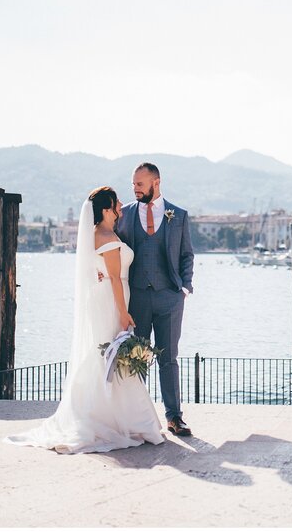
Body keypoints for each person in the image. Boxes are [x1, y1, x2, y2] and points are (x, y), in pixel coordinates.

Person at [6, 187, 164, 453]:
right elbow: (114, 277)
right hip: (112, 301)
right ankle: (115, 419)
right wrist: (123, 313)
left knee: (105, 355)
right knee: (110, 355)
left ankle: (111, 414)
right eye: (116, 203)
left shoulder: (97, 235)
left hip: (104, 297)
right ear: (106, 210)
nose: (121, 205)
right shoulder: (106, 237)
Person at [116, 162, 195, 436]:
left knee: (168, 358)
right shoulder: (124, 214)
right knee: (136, 358)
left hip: (170, 298)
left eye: (140, 184)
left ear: (156, 183)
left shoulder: (179, 216)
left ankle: (174, 417)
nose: (135, 189)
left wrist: (185, 287)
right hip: (136, 297)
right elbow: (112, 249)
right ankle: (137, 418)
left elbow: (187, 254)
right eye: (133, 185)